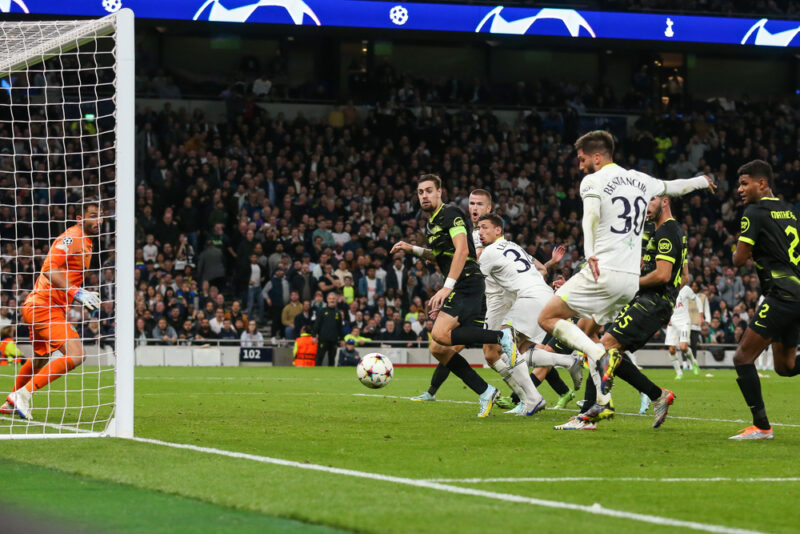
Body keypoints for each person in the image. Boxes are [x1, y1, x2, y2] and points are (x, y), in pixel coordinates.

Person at [536, 130, 714, 423]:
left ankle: (592, 358)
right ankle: (599, 404)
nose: (580, 166)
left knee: (548, 318)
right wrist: (702, 181)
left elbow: (590, 217)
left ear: (597, 156)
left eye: (582, 160)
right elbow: (676, 186)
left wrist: (589, 252)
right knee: (587, 329)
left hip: (602, 271)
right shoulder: (642, 180)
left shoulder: (593, 181)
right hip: (629, 283)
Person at [391, 176, 516, 417]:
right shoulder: (432, 223)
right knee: (440, 348)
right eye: (420, 192)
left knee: (440, 336)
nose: (424, 196)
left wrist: (447, 286)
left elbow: (462, 249)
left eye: (429, 191)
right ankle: (485, 391)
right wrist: (412, 248)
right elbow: (441, 255)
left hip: (466, 282)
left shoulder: (451, 213)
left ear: (440, 192)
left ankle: (502, 336)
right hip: (464, 284)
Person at [556, 195, 684, 430]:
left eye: (652, 199)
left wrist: (634, 283)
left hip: (652, 302)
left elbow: (664, 275)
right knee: (602, 348)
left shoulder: (667, 231)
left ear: (665, 201)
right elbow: (680, 274)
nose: (646, 205)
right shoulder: (666, 230)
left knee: (600, 348)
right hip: (648, 300)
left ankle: (587, 416)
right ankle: (657, 395)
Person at [2, 201, 103, 420]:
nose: (99, 221)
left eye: (101, 216)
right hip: (44, 307)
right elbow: (49, 269)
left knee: (40, 358)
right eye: (94, 215)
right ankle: (23, 394)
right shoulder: (72, 237)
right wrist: (76, 292)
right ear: (80, 218)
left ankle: (11, 400)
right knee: (77, 354)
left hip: (41, 307)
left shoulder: (86, 242)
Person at [475, 213, 584, 416]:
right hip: (543, 295)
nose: (480, 232)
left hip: (529, 298)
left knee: (507, 345)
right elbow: (540, 270)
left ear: (498, 230)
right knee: (522, 350)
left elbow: (473, 278)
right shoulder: (514, 246)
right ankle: (569, 362)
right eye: (478, 229)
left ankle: (533, 399)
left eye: (485, 228)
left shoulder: (489, 253)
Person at [729, 160, 800, 440]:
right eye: (739, 184)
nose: (740, 189)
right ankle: (761, 426)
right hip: (796, 293)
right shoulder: (791, 210)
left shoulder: (754, 212)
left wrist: (745, 247)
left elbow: (739, 258)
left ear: (763, 183)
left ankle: (761, 426)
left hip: (781, 294)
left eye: (745, 183)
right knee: (785, 367)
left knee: (742, 357)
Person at [666, 282, 700, 379]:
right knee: (672, 349)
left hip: (684, 321)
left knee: (683, 347)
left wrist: (700, 313)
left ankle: (694, 362)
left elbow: (695, 298)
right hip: (672, 322)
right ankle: (679, 373)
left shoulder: (686, 289)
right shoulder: (667, 288)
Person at [313, 292, 344, 366]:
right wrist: (314, 335)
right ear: (327, 300)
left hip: (334, 340)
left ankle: (331, 375)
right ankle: (316, 373)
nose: (332, 300)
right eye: (330, 298)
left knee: (332, 359)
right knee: (319, 358)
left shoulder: (338, 313)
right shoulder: (322, 311)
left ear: (336, 300)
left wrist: (342, 338)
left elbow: (340, 327)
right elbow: (317, 324)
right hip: (323, 339)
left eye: (333, 299)